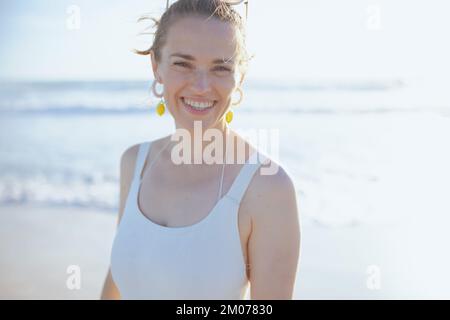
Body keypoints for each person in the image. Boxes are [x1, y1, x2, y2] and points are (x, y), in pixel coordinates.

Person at [101, 0, 300, 300]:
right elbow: (117, 285)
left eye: (221, 68)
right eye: (183, 63)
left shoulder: (267, 187)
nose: (202, 86)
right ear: (157, 67)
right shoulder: (135, 163)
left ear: (240, 77)